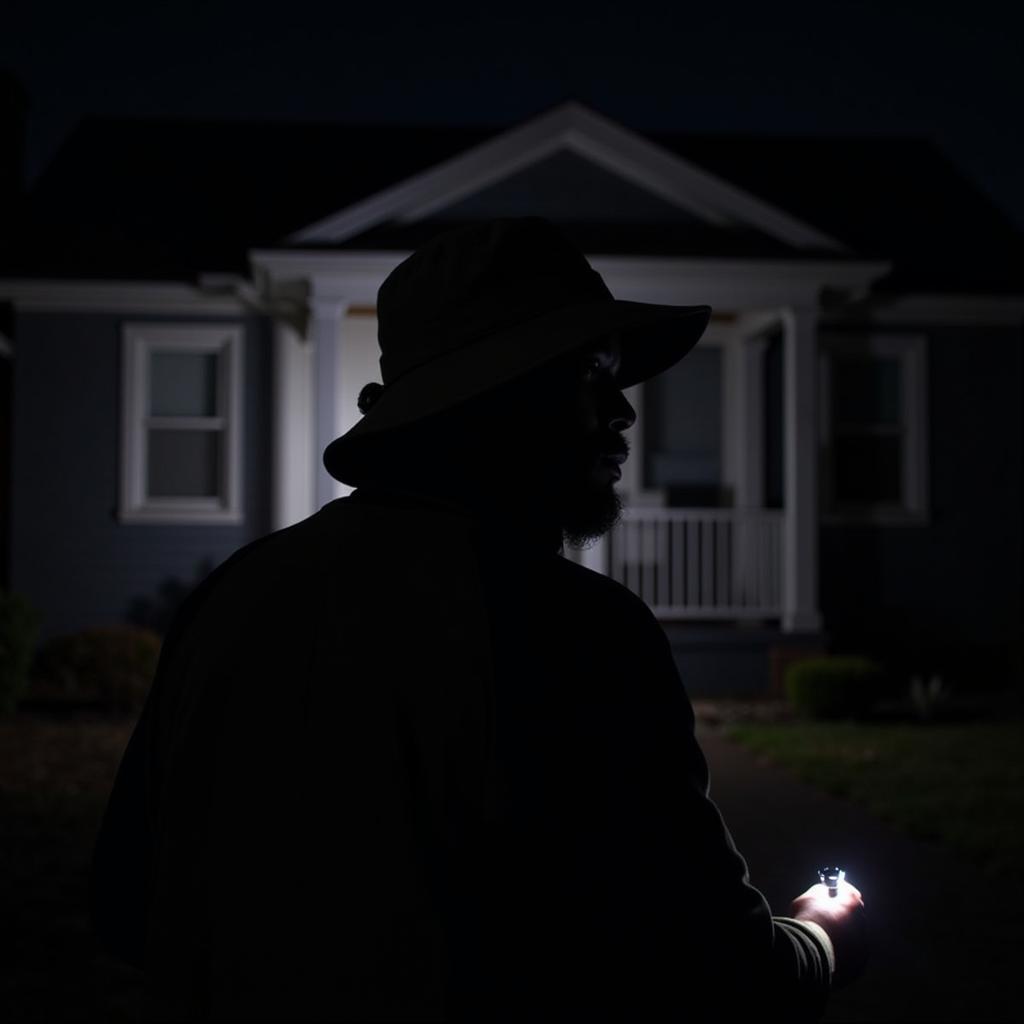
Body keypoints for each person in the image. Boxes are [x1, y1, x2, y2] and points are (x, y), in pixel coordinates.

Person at [91, 216, 867, 1021]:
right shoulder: (578, 633)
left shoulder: (236, 595)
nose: (623, 410)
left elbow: (128, 905)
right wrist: (820, 939)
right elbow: (710, 968)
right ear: (501, 396)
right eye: (588, 374)